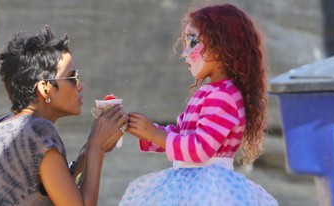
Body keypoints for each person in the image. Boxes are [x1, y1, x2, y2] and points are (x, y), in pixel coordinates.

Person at [119, 3, 278, 205]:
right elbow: (182, 135)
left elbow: (200, 149)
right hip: (189, 183)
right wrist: (141, 130)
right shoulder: (210, 92)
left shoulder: (224, 96)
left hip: (211, 191)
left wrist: (154, 134)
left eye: (192, 42)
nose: (185, 52)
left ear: (222, 47)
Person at [0, 25, 127, 206]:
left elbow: (50, 191)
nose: (80, 85)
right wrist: (96, 148)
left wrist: (85, 155)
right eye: (72, 77)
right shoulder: (39, 130)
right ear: (45, 89)